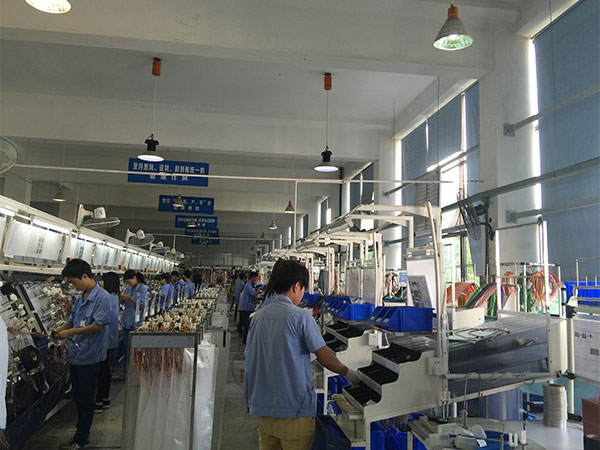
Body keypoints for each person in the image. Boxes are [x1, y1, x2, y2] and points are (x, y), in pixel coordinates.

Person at [244, 260, 359, 450]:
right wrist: (349, 373)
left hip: (264, 411)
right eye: (304, 290)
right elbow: (325, 357)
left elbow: (251, 361)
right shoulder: (301, 317)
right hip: (294, 413)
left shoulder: (258, 317)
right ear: (296, 286)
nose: (303, 295)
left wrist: (251, 399)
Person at [54, 259, 112, 450]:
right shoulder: (81, 297)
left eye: (74, 282)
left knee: (86, 399)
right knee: (78, 397)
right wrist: (59, 330)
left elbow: (97, 326)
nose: (73, 286)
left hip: (90, 357)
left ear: (84, 276)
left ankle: (82, 439)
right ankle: (79, 434)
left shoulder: (102, 298)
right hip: (76, 356)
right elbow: (72, 320)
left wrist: (69, 333)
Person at [95, 272, 120, 414]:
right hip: (111, 339)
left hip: (104, 340)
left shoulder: (107, 298)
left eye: (103, 281)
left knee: (101, 372)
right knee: (106, 370)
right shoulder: (115, 297)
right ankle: (105, 398)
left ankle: (98, 401)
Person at [120, 270, 148, 366]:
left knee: (136, 350)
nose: (128, 284)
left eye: (129, 281)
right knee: (126, 349)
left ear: (135, 278)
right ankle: (126, 369)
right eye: (126, 282)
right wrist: (121, 298)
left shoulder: (143, 288)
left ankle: (136, 369)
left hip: (136, 323)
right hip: (126, 322)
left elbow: (142, 306)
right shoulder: (128, 289)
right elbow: (122, 303)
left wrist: (130, 298)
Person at [238, 271, 260, 339]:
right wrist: (258, 290)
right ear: (253, 277)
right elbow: (254, 295)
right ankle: (245, 339)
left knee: (245, 324)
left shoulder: (248, 284)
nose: (256, 280)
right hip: (247, 308)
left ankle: (244, 337)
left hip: (245, 307)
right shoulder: (248, 286)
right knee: (247, 324)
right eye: (256, 278)